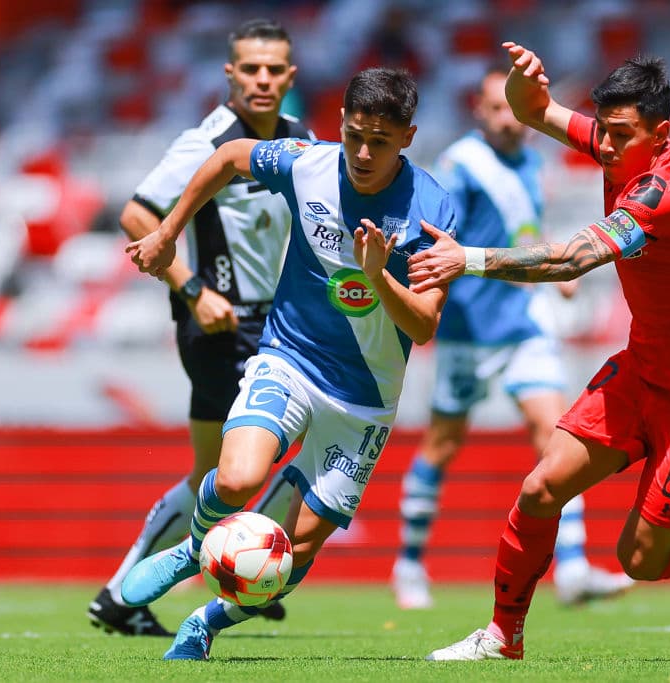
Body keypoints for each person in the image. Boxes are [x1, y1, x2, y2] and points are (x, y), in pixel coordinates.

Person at [420, 42, 670, 661]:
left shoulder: (666, 192)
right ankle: (503, 638)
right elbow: (539, 113)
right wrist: (524, 90)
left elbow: (572, 259)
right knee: (540, 489)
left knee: (638, 560)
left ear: (659, 133)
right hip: (642, 372)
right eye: (602, 131)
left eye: (617, 135)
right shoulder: (622, 142)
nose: (602, 147)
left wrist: (466, 259)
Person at [122, 66, 456, 661]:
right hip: (291, 357)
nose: (361, 151)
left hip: (365, 398)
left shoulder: (431, 209)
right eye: (354, 134)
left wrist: (378, 277)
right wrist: (170, 231)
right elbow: (228, 159)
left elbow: (425, 325)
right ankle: (190, 549)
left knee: (296, 553)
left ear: (407, 137)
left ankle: (205, 622)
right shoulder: (307, 164)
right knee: (235, 481)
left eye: (379, 141)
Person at [86, 18, 313, 637]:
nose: (262, 79)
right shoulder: (208, 139)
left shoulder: (300, 138)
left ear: (290, 76)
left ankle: (123, 594)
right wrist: (192, 290)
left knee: (212, 471)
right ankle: (230, 565)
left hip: (274, 324)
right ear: (230, 74)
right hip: (220, 325)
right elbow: (138, 214)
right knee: (258, 456)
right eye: (250, 68)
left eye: (274, 70)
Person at [391, 66, 632, 610]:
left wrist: (552, 273)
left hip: (525, 322)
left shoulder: (530, 160)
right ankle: (408, 564)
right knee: (442, 445)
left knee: (557, 437)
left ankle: (570, 569)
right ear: (478, 110)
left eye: (513, 109)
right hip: (468, 331)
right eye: (497, 109)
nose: (509, 120)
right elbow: (431, 233)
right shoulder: (461, 165)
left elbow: (522, 226)